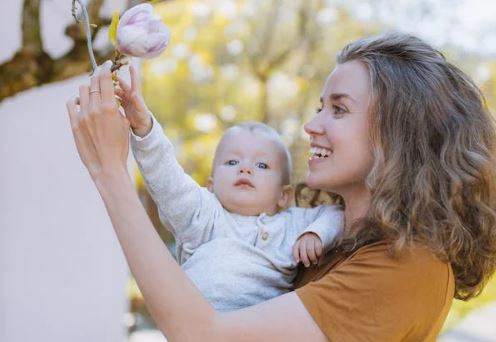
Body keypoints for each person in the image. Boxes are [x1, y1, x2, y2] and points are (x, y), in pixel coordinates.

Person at [66, 32, 496, 341]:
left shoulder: (409, 267)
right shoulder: (326, 242)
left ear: (400, 133)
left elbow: (201, 335)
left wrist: (110, 172)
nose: (312, 126)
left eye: (339, 110)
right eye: (318, 107)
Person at [124, 92, 343, 311]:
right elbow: (167, 178)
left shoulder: (292, 224)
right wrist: (145, 129)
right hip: (195, 327)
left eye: (262, 165)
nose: (245, 168)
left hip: (257, 329)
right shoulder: (203, 215)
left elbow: (337, 213)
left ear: (283, 196)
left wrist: (317, 233)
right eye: (232, 161)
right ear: (210, 187)